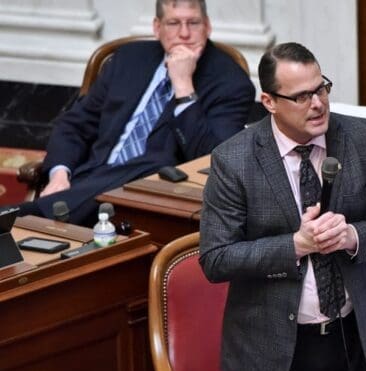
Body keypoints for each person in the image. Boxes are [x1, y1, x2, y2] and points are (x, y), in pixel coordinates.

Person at [199, 42, 366, 371]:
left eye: (321, 88)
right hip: (271, 354)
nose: (317, 104)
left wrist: (351, 236)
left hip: (351, 338)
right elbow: (216, 259)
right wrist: (297, 244)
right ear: (269, 102)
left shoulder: (362, 138)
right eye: (301, 97)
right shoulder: (233, 160)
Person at [17, 0, 255, 226]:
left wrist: (183, 87)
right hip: (87, 179)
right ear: (157, 27)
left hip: (155, 197)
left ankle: (28, 216)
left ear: (207, 26)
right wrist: (60, 174)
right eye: (173, 23)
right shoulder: (129, 59)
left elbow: (215, 160)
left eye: (193, 23)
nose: (184, 33)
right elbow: (75, 125)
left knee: (153, 163)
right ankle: (48, 211)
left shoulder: (230, 82)